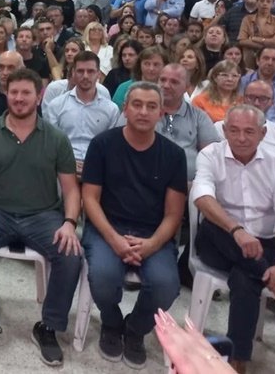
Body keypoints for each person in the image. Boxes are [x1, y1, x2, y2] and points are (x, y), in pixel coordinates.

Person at [0, 68, 82, 365]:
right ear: (6, 94)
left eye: (26, 92)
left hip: (43, 215)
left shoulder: (56, 138)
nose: (19, 98)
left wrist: (69, 223)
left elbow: (71, 190)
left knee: (70, 254)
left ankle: (48, 327)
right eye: (13, 92)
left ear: (39, 97)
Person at [81, 82, 187, 369]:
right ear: (125, 109)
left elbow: (173, 214)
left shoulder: (174, 155)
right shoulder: (102, 145)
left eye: (152, 106)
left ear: (162, 113)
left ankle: (136, 328)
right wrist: (114, 239)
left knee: (166, 285)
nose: (143, 111)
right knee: (102, 277)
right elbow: (90, 199)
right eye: (137, 105)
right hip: (107, 227)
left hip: (153, 233)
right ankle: (111, 322)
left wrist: (152, 245)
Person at [192, 105, 275, 373]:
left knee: (244, 277)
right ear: (224, 130)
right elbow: (202, 196)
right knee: (214, 228)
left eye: (249, 131)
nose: (241, 138)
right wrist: (237, 230)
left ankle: (237, 360)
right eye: (234, 130)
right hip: (219, 239)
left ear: (263, 133)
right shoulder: (210, 155)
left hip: (264, 244)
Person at [44, 51, 119, 173]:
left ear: (98, 74)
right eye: (80, 71)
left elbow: (112, 146)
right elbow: (51, 143)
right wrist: (69, 163)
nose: (85, 76)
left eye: (90, 71)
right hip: (63, 168)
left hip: (99, 168)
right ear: (73, 73)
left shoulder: (111, 109)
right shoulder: (56, 105)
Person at [215, 80, 275, 167]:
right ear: (243, 99)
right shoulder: (221, 127)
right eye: (251, 97)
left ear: (272, 102)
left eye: (263, 99)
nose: (256, 103)